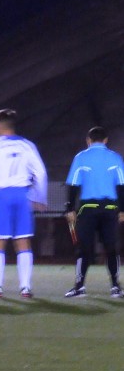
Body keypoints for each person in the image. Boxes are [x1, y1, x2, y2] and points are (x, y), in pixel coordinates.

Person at [0, 108, 48, 298]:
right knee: (23, 240)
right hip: (22, 195)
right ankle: (25, 287)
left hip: (1, 195)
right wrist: (39, 197)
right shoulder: (28, 145)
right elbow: (40, 173)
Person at [63, 126, 124, 298]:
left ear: (88, 140)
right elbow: (122, 186)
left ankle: (79, 287)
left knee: (84, 249)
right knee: (111, 248)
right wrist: (122, 210)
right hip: (110, 209)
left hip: (88, 209)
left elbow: (73, 184)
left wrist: (70, 208)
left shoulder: (81, 157)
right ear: (106, 140)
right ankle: (116, 287)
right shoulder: (115, 157)